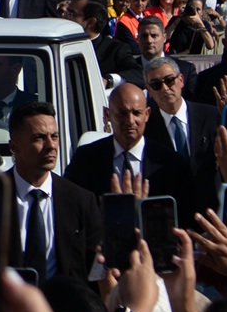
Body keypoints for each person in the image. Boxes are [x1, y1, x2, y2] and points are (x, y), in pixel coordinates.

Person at [64, 83, 194, 223]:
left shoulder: (171, 165)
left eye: (136, 113)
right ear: (107, 114)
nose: (130, 121)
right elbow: (69, 209)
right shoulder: (85, 159)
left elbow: (184, 219)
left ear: (147, 114)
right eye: (122, 113)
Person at [6, 101, 101, 283]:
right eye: (39, 138)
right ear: (14, 147)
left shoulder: (81, 200)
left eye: (54, 136)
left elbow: (97, 271)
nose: (51, 145)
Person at [141, 56, 221, 216]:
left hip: (210, 213)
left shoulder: (210, 116)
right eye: (156, 85)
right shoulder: (145, 128)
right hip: (169, 216)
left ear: (181, 80)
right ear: (149, 91)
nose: (164, 88)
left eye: (169, 80)